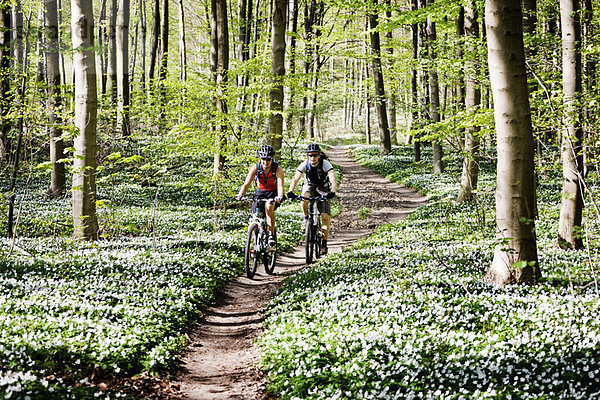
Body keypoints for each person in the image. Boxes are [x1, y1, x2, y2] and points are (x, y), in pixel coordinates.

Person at [287, 143, 337, 255]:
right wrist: (290, 191)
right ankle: (306, 218)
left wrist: (332, 192)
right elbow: (296, 178)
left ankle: (324, 243)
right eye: (310, 155)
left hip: (322, 187)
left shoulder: (325, 163)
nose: (312, 158)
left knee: (324, 216)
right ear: (307, 156)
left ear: (319, 155)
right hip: (310, 185)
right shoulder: (305, 164)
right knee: (304, 197)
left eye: (315, 155)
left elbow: (333, 178)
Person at [235, 145, 284, 249]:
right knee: (255, 219)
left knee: (268, 208)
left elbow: (280, 185)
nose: (266, 162)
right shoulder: (255, 168)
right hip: (260, 192)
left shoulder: (278, 169)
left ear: (272, 159)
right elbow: (246, 184)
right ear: (260, 159)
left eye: (268, 159)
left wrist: (280, 196)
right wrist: (240, 194)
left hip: (272, 193)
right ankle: (255, 242)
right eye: (263, 159)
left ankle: (271, 236)